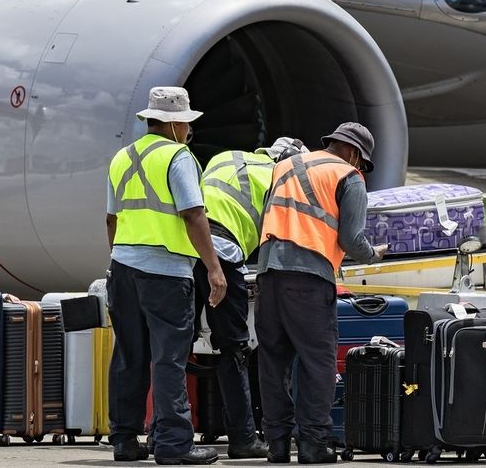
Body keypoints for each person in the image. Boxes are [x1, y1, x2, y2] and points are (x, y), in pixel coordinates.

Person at [255, 122, 389, 464]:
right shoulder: (349, 176)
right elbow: (352, 240)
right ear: (355, 154)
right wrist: (374, 254)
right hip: (309, 279)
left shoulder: (284, 165)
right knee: (317, 362)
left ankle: (278, 445)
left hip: (268, 276)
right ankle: (314, 444)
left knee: (273, 362)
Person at [106, 86, 227, 465]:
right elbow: (194, 214)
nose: (188, 132)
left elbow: (111, 219)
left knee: (129, 357)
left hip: (123, 270)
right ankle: (175, 444)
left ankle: (125, 440)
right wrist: (214, 267)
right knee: (169, 359)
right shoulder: (179, 156)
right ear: (176, 124)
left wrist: (119, 259)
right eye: (187, 125)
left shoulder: (121, 158)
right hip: (166, 272)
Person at [192, 137, 309, 459]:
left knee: (173, 349)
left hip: (183, 247)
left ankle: (164, 433)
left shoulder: (228, 154)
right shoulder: (279, 177)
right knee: (234, 349)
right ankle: (243, 438)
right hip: (222, 250)